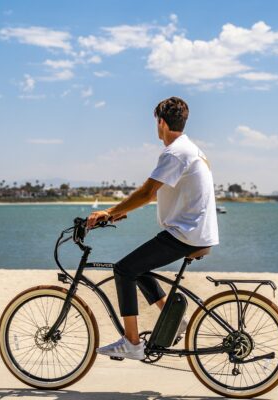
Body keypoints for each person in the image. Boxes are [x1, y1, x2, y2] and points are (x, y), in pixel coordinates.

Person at [87, 96, 219, 360]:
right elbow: (157, 196)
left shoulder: (175, 152)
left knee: (123, 270)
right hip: (195, 231)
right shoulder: (191, 149)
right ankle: (175, 320)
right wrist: (116, 215)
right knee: (139, 268)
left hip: (186, 234)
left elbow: (147, 192)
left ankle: (132, 343)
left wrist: (108, 211)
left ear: (161, 123)